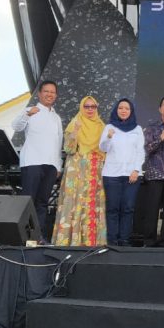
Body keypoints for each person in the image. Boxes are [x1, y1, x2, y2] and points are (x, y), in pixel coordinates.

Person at [53, 96, 107, 246]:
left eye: (93, 107)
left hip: (94, 168)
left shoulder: (101, 126)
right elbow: (69, 149)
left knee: (91, 204)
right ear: (81, 107)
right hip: (76, 168)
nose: (90, 109)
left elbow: (106, 149)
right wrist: (75, 131)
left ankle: (90, 242)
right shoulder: (74, 123)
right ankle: (69, 241)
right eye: (87, 106)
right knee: (74, 202)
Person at [13, 80, 62, 242]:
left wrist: (58, 165)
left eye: (53, 92)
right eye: (46, 91)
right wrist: (27, 114)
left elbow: (58, 142)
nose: (49, 94)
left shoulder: (56, 117)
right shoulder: (30, 110)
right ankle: (22, 236)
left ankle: (38, 237)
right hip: (32, 162)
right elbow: (16, 126)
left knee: (42, 202)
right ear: (40, 94)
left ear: (56, 95)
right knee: (28, 201)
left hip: (50, 165)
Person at [135, 96, 164, 246]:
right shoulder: (152, 127)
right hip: (155, 172)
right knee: (152, 209)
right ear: (160, 109)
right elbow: (147, 148)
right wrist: (160, 138)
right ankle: (149, 240)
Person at [100, 98, 145, 247]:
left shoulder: (137, 129)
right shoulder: (109, 127)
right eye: (121, 108)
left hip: (131, 175)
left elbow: (140, 151)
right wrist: (109, 137)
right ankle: (112, 241)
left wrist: (136, 170)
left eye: (127, 108)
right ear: (116, 110)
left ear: (131, 111)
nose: (124, 110)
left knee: (128, 208)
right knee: (113, 208)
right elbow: (103, 148)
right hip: (111, 174)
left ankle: (124, 240)